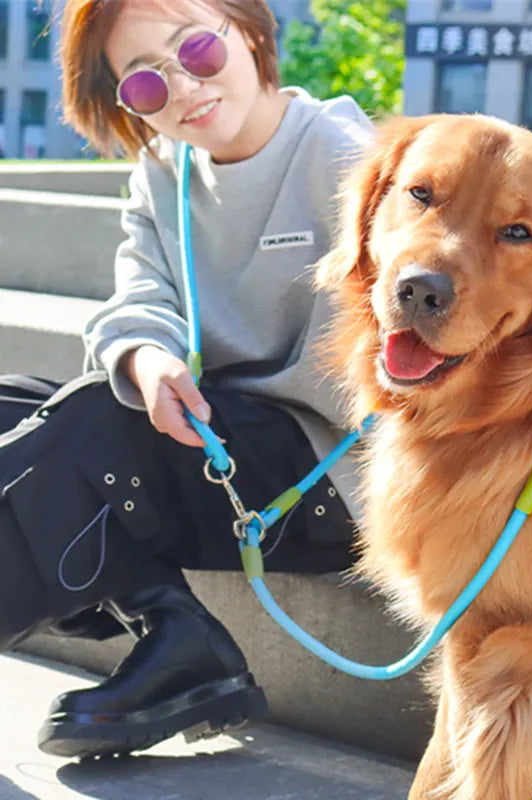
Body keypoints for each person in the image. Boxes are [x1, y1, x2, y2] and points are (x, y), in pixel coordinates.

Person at [0, 0, 373, 759]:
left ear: (252, 31)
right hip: (214, 445)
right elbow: (140, 300)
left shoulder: (348, 159)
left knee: (93, 428)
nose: (183, 88)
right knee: (15, 400)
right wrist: (146, 357)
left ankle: (178, 639)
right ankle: (174, 629)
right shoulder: (163, 172)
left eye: (197, 49)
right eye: (143, 83)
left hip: (330, 474)